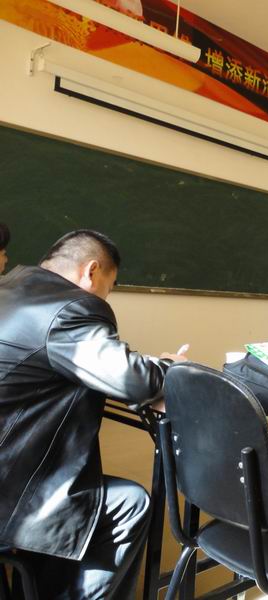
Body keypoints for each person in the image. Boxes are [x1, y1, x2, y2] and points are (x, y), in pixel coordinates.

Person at [0, 229, 185, 599]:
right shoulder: (69, 307)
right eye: (109, 287)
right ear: (91, 271)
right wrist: (172, 368)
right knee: (130, 504)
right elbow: (134, 381)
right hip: (9, 489)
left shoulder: (11, 287)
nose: (106, 296)